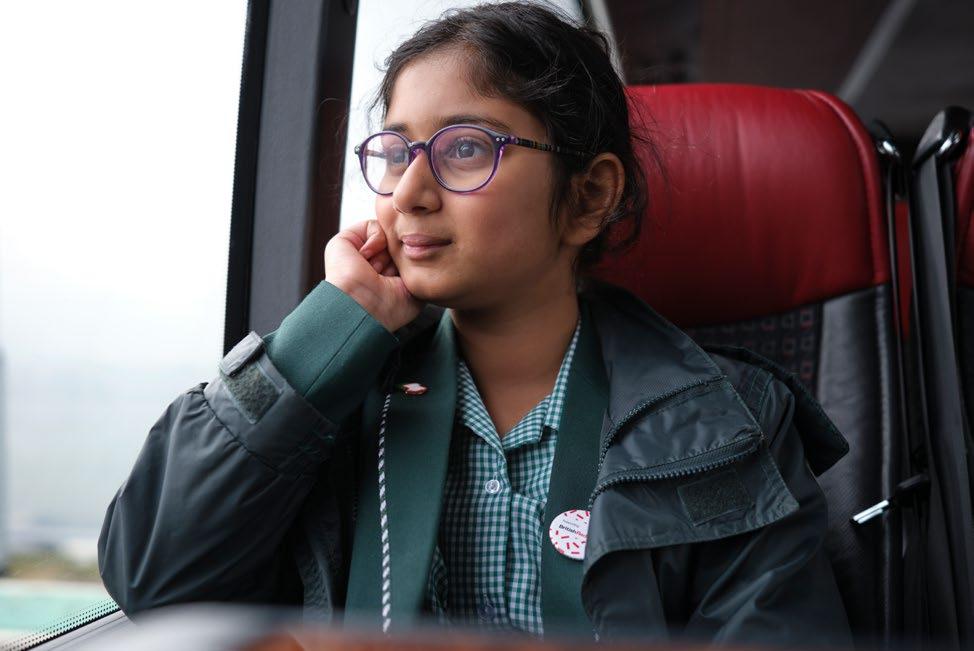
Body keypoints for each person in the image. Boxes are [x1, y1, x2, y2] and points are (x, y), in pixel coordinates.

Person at [98, 2, 852, 645]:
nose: (409, 193)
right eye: (396, 152)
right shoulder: (334, 406)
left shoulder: (732, 422)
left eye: (464, 149)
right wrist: (325, 334)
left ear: (589, 196)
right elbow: (160, 587)